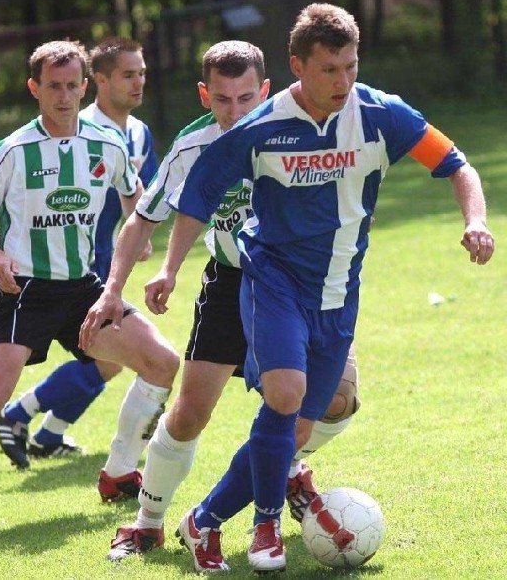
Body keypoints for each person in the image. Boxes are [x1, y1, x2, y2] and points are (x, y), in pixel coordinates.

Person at [148, 3, 494, 574]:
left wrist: (474, 220)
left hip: (338, 294)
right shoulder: (260, 128)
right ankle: (265, 528)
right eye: (329, 69)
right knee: (284, 395)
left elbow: (456, 164)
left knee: (299, 427)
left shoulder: (382, 115)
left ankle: (202, 521)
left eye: (351, 66)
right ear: (296, 66)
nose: (343, 81)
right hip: (272, 278)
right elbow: (197, 198)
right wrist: (170, 268)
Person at [80, 40, 360, 571]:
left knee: (333, 401)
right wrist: (119, 286)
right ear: (206, 94)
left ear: (268, 90)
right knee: (190, 413)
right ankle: (147, 523)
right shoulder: (193, 146)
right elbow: (143, 217)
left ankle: (282, 470)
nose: (235, 112)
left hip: (299, 283)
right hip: (231, 284)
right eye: (224, 100)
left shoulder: (301, 128)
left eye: (247, 98)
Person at [0, 39, 179, 542]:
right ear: (35, 89)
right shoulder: (12, 151)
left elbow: (134, 199)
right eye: (52, 86)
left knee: (162, 363)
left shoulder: (108, 143)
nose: (64, 96)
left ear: (85, 87)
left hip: (85, 290)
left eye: (72, 85)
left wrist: (135, 238)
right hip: (26, 291)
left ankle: (118, 472)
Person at [0, 36, 160, 471]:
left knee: (113, 361)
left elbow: (140, 199)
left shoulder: (138, 133)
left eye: (142, 72)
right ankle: (20, 413)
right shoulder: (69, 121)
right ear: (98, 81)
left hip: (106, 262)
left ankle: (45, 431)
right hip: (77, 264)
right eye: (128, 74)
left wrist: (140, 235)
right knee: (108, 359)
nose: (138, 82)